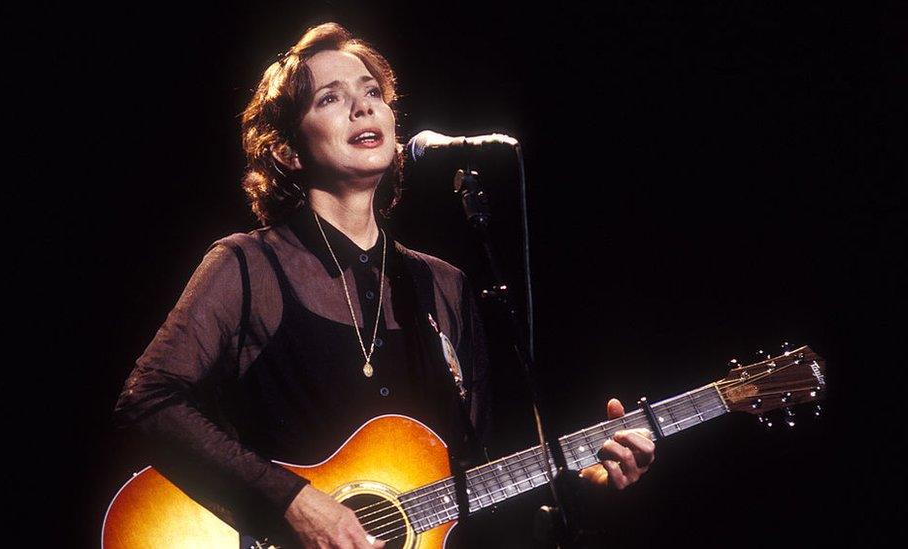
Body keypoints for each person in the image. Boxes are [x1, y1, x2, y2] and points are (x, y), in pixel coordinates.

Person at [114, 22, 655, 549]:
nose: (363, 107)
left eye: (372, 93)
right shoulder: (248, 265)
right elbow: (148, 400)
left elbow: (471, 492)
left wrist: (589, 491)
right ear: (287, 152)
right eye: (330, 98)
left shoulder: (443, 287)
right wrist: (294, 502)